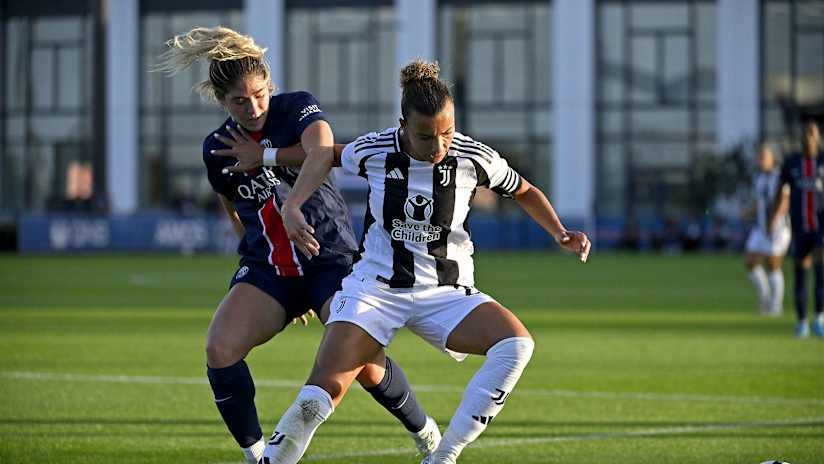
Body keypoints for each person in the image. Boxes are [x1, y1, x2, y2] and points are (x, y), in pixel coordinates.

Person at [256, 60, 591, 464]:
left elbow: (523, 189)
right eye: (425, 136)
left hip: (445, 292)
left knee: (516, 345)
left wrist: (558, 231)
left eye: (447, 132)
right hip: (376, 289)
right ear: (402, 124)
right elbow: (323, 155)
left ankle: (443, 456)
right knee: (318, 397)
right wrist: (278, 178)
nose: (438, 146)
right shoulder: (375, 149)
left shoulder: (474, 157)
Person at [155, 27, 440, 463]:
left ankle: (424, 432)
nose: (253, 107)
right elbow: (232, 208)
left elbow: (322, 149)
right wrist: (250, 255)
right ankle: (256, 455)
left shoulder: (294, 107)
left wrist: (290, 203)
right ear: (220, 101)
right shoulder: (216, 148)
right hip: (270, 271)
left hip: (332, 260)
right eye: (239, 101)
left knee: (362, 362)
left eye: (259, 94)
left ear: (271, 85)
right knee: (220, 348)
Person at [769, 121, 824, 338]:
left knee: (821, 273)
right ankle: (801, 323)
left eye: (813, 133)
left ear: (818, 137)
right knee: (800, 274)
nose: (809, 137)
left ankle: (819, 318)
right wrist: (774, 217)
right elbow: (779, 192)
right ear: (802, 138)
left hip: (821, 227)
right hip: (800, 227)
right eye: (806, 133)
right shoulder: (792, 163)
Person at [744, 144, 790, 315]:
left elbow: (785, 201)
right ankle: (764, 296)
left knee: (773, 265)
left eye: (764, 156)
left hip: (778, 228)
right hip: (761, 227)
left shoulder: (780, 177)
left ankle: (776, 306)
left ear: (773, 158)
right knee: (750, 261)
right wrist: (748, 212)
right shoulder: (759, 178)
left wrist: (774, 219)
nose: (760, 160)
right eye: (759, 156)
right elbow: (759, 202)